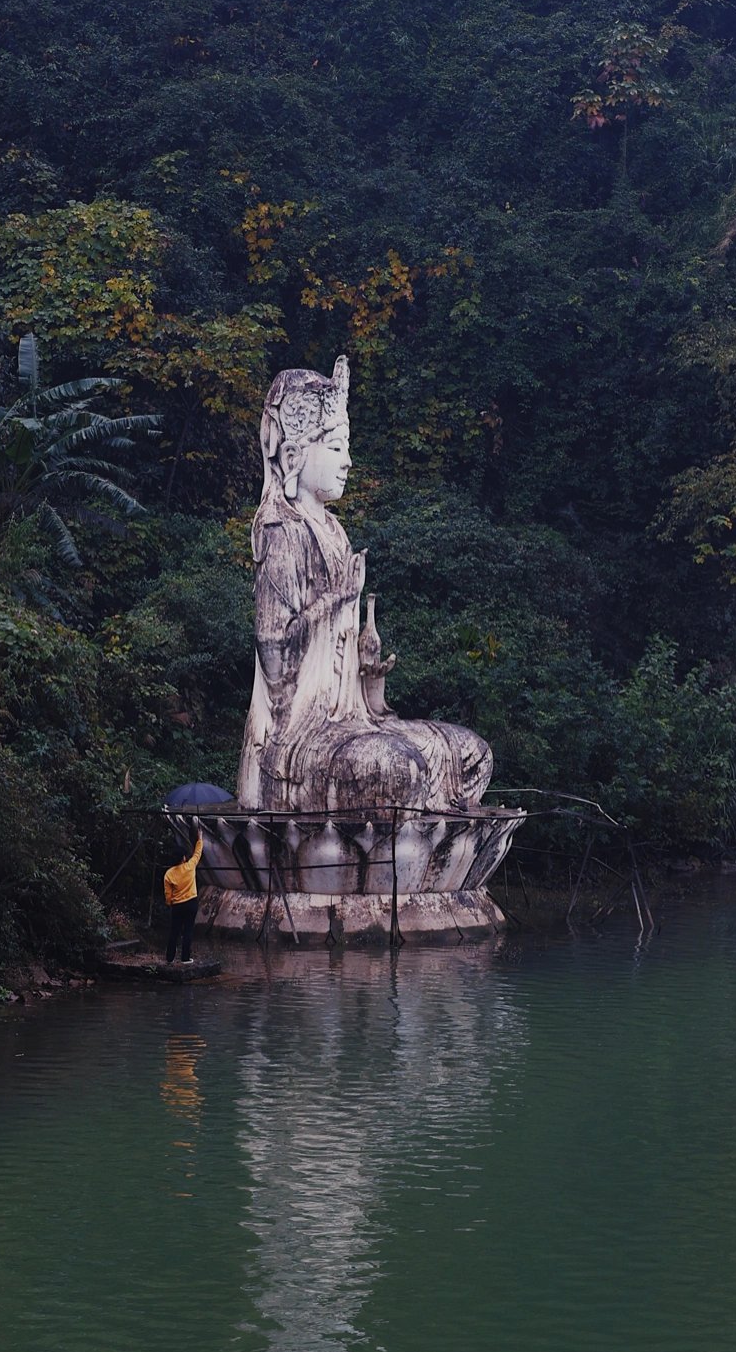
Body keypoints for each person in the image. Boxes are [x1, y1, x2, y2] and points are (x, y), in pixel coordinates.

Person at [237, 355, 493, 814]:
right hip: (297, 738)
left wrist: (368, 675)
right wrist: (337, 600)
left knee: (469, 755)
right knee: (398, 768)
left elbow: (346, 670)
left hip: (352, 719)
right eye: (336, 448)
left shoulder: (334, 530)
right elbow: (274, 659)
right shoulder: (281, 529)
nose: (348, 462)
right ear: (295, 455)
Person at [164, 822, 202, 964]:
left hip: (177, 905)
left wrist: (170, 904)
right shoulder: (190, 867)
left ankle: (170, 958)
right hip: (191, 902)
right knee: (188, 930)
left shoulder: (169, 874)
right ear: (183, 858)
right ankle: (185, 958)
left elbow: (168, 895)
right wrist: (200, 839)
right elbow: (198, 853)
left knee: (174, 931)